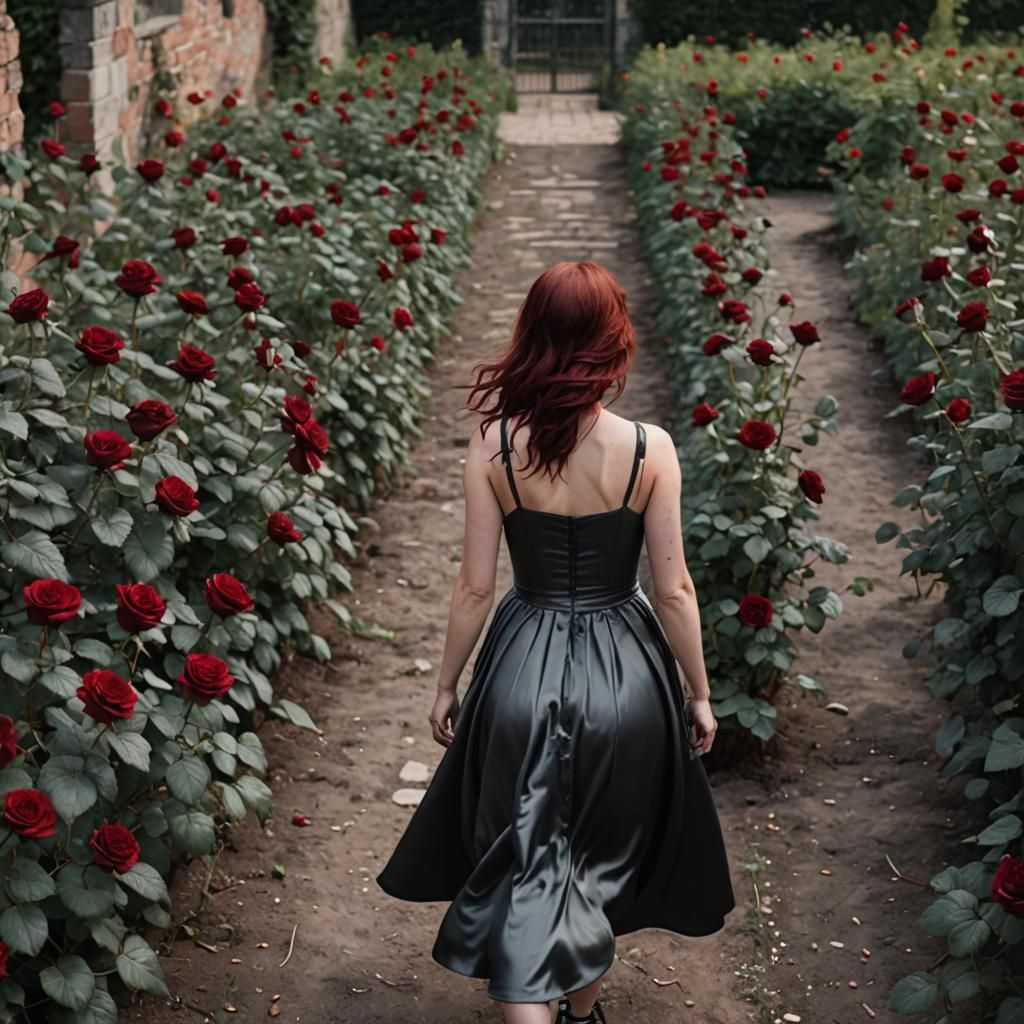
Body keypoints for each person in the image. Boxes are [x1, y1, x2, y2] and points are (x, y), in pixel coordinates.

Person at [377, 260, 736, 1024]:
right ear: (614, 343)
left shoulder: (493, 447)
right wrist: (699, 693)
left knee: (532, 863)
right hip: (628, 678)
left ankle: (542, 1007)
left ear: (532, 337)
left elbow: (474, 586)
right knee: (597, 857)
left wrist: (447, 685)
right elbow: (673, 590)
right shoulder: (651, 449)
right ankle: (576, 1012)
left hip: (519, 671)